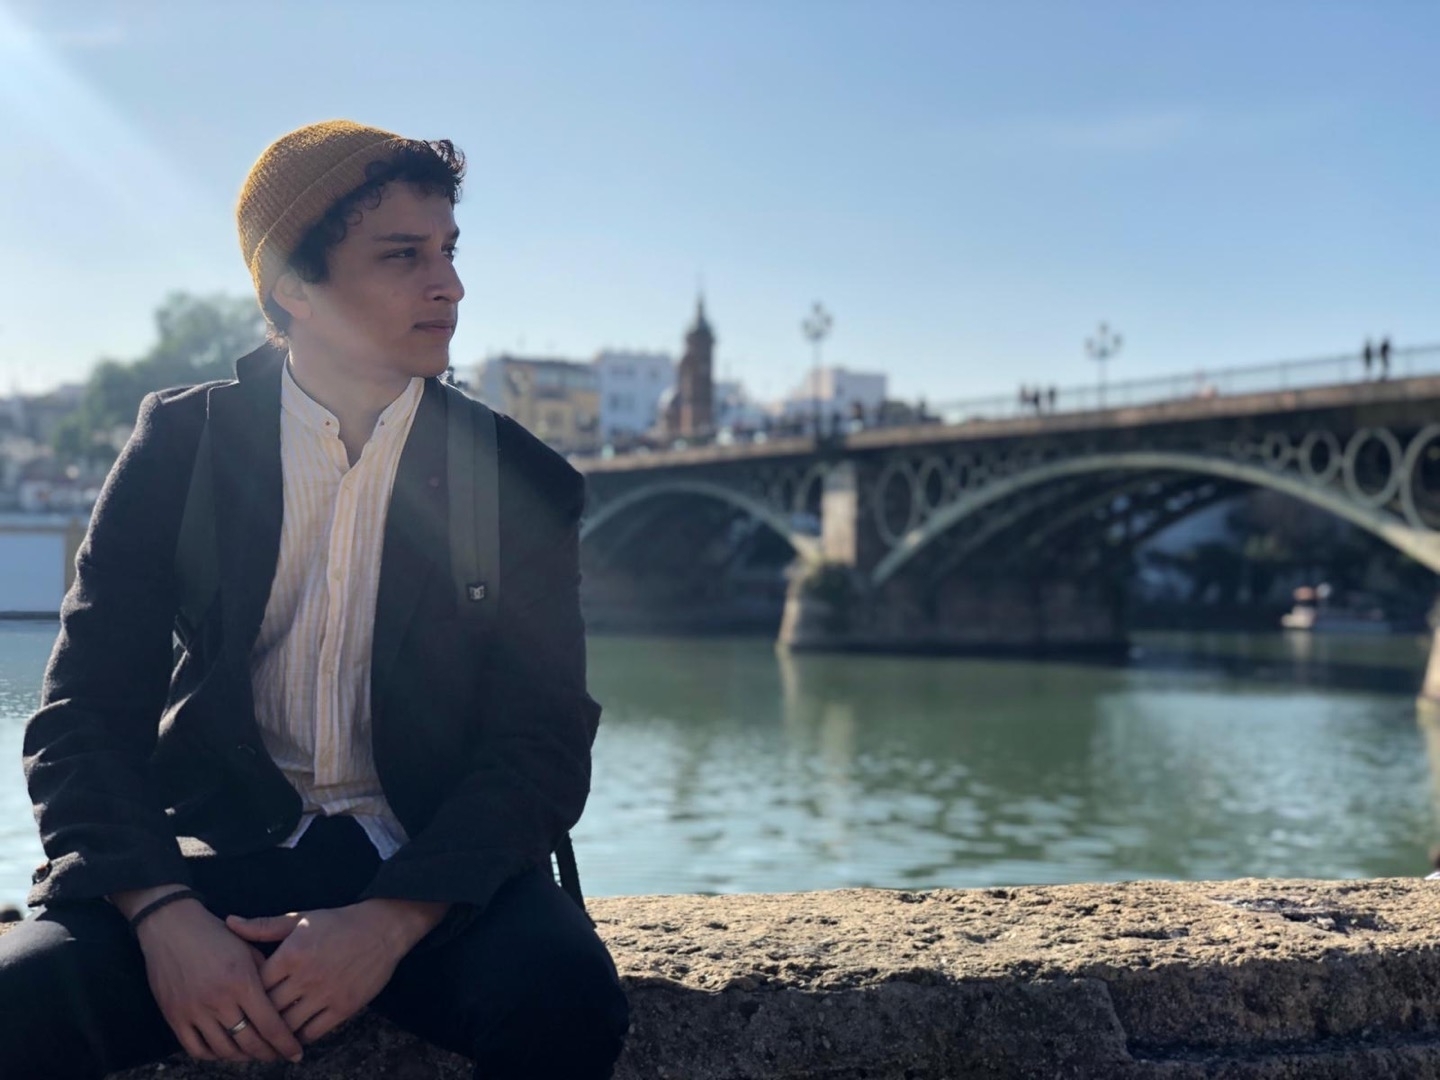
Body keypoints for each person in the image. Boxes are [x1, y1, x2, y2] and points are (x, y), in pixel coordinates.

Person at [0, 120, 630, 1079]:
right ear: (292, 287)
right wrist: (164, 917)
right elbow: (82, 716)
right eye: (403, 255)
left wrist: (390, 921)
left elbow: (540, 744)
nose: (450, 285)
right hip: (212, 853)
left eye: (449, 250)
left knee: (565, 998)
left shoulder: (519, 480)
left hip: (429, 870)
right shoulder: (183, 447)